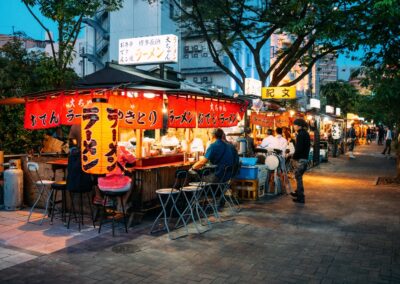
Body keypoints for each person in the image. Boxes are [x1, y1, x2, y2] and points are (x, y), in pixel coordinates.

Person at [290, 119, 310, 204]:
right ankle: (298, 193)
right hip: (304, 158)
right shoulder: (305, 133)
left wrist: (294, 157)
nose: (294, 126)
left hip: (301, 159)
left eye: (295, 125)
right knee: (299, 176)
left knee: (298, 177)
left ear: (299, 126)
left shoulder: (301, 135)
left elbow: (299, 148)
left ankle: (301, 197)